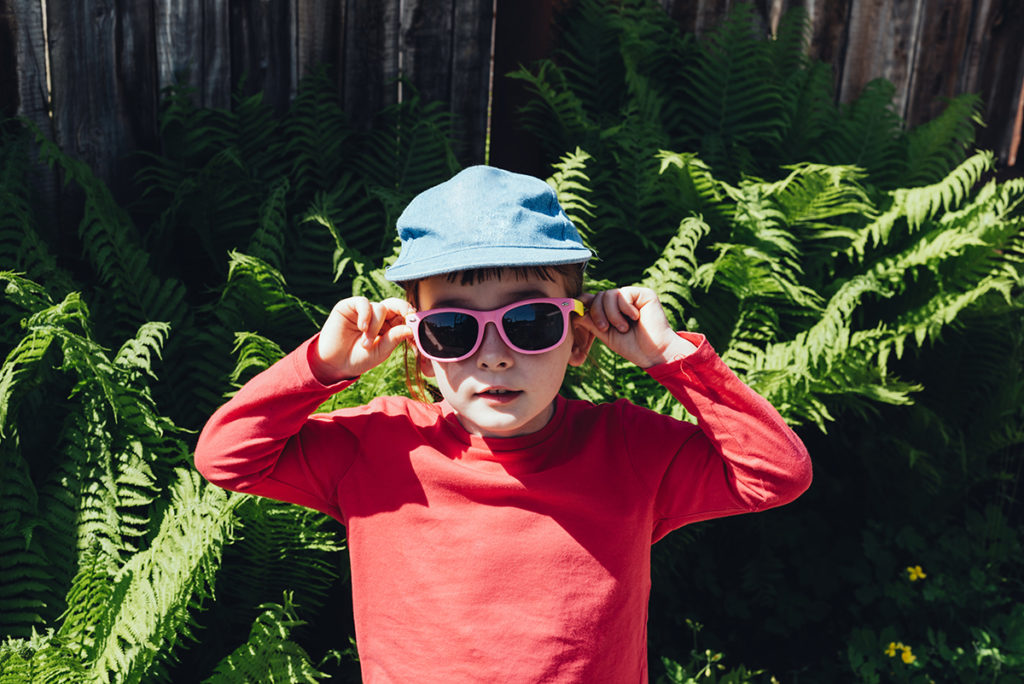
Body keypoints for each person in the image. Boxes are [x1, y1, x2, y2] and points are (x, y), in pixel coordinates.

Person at [194, 165, 812, 682]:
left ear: (578, 339)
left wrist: (669, 357)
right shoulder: (380, 448)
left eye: (531, 323)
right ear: (420, 342)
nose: (494, 354)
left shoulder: (627, 450)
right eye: (455, 328)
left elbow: (776, 473)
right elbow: (226, 456)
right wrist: (323, 366)